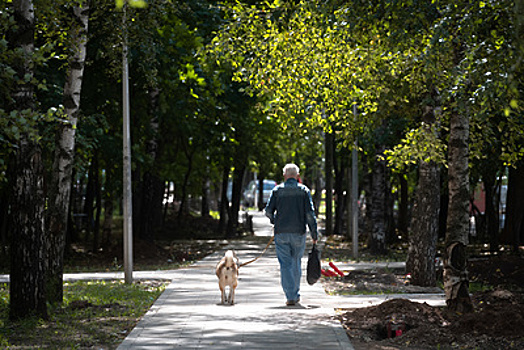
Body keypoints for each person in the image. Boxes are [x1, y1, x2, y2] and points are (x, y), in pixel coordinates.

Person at [265, 163, 319, 306]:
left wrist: (275, 221)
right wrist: (314, 233)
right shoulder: (304, 191)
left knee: (285, 264)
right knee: (296, 262)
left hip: (281, 233)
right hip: (299, 233)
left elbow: (268, 211)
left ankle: (291, 295)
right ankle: (295, 293)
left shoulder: (277, 191)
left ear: (284, 175)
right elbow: (309, 214)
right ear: (297, 176)